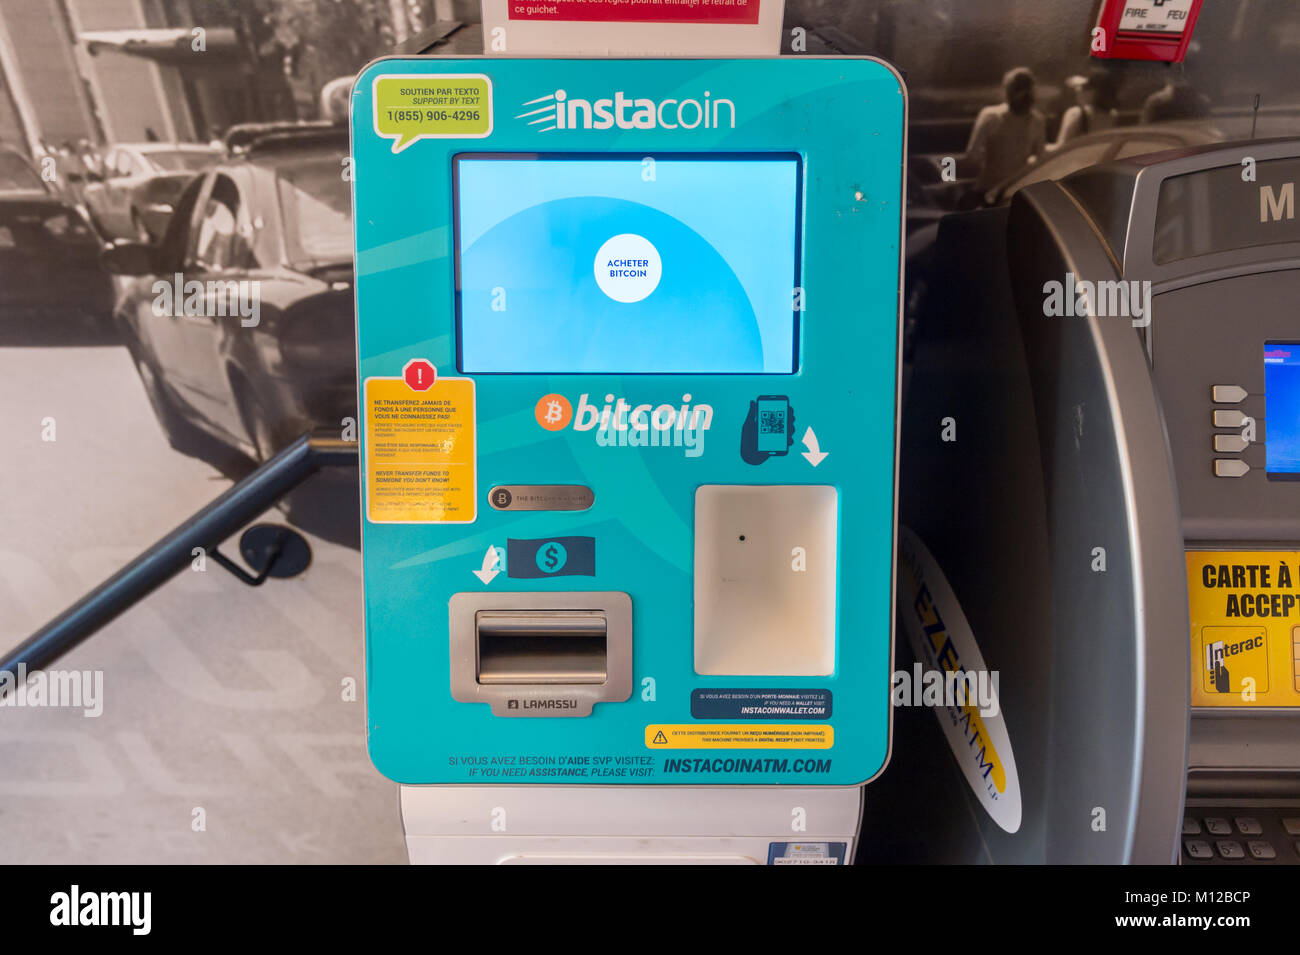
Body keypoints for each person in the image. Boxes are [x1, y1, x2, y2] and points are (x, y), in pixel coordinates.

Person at [965, 67, 1046, 200]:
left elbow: (972, 155)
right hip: (1018, 193)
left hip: (989, 191)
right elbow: (1041, 160)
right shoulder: (1038, 121)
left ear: (1007, 92)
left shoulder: (990, 116)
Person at [1048, 68, 1120, 153]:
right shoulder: (1113, 115)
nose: (1077, 90)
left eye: (1083, 87)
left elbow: (1061, 149)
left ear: (1094, 91)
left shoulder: (1076, 113)